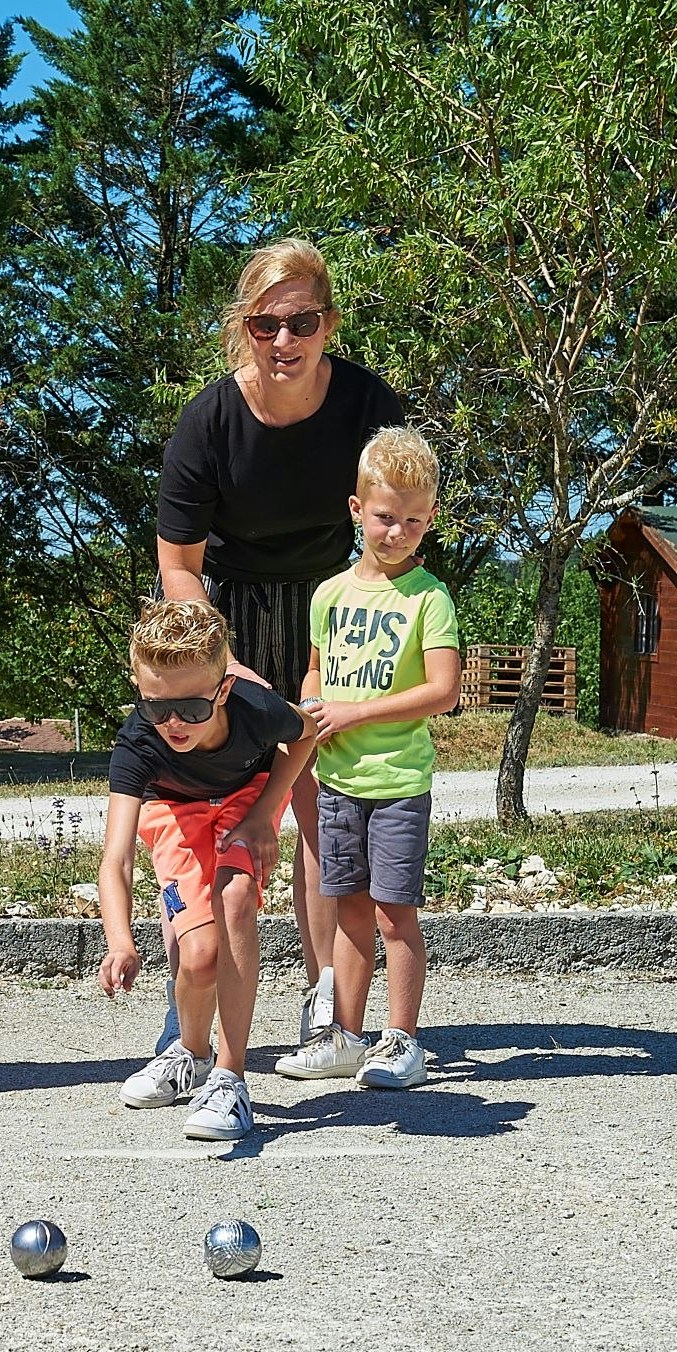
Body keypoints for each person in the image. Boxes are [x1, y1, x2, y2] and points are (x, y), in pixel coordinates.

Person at [156, 238, 408, 1047]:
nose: (283, 339)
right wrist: (220, 660)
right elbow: (177, 565)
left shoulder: (369, 405)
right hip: (225, 612)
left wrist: (377, 625)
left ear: (328, 324)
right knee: (206, 810)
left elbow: (399, 523)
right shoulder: (208, 419)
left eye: (300, 321)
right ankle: (187, 1011)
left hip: (335, 606)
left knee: (321, 810)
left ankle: (324, 1000)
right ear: (245, 328)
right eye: (265, 324)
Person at [275, 428, 461, 1090]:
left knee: (392, 914)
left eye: (413, 520)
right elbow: (315, 671)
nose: (397, 532)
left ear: (430, 518)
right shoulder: (328, 594)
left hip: (398, 781)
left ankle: (402, 1041)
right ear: (357, 510)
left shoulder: (429, 597)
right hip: (337, 780)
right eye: (384, 517)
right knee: (348, 912)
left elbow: (444, 690)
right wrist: (309, 708)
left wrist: (355, 713)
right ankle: (345, 1039)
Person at [96, 600, 317, 1143]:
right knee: (198, 957)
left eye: (192, 708)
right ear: (139, 687)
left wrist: (266, 812)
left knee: (236, 898)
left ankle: (229, 1078)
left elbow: (306, 734)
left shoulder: (255, 708)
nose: (174, 723)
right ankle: (191, 1054)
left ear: (222, 690)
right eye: (156, 707)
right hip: (173, 809)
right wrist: (120, 941)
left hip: (246, 798)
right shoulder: (137, 743)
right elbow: (116, 857)